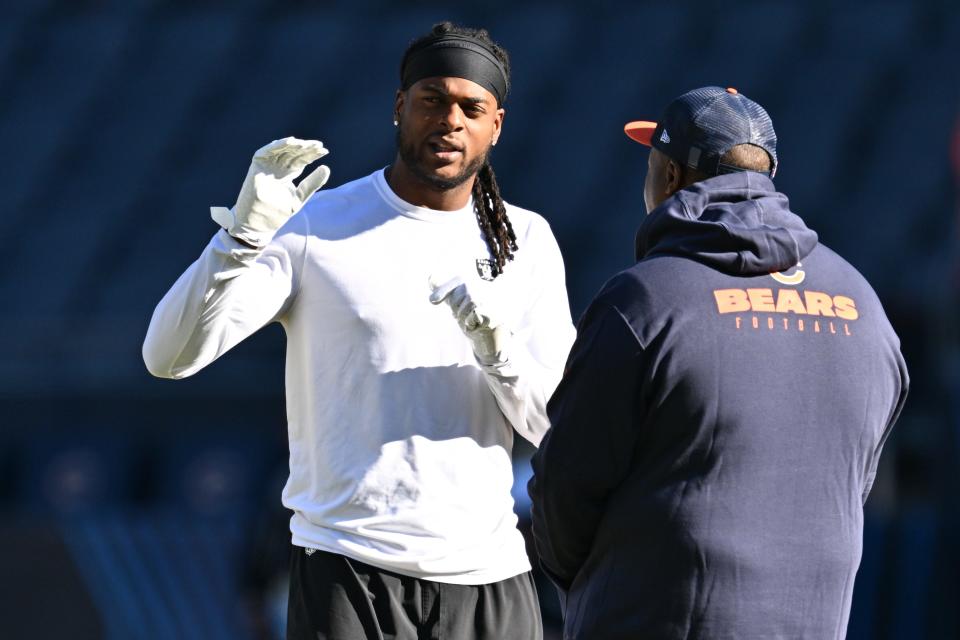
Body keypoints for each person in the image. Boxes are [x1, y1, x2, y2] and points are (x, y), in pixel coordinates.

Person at [143, 22, 575, 640]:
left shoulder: (527, 240)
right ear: (400, 107)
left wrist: (499, 352)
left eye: (470, 107)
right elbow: (169, 356)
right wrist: (239, 237)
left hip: (489, 574)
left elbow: (554, 427)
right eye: (432, 99)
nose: (450, 119)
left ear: (495, 125)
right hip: (347, 568)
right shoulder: (316, 224)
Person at [528, 86, 909, 639]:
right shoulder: (863, 303)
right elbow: (855, 479)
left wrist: (592, 587)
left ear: (671, 178)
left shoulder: (644, 298)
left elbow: (564, 493)